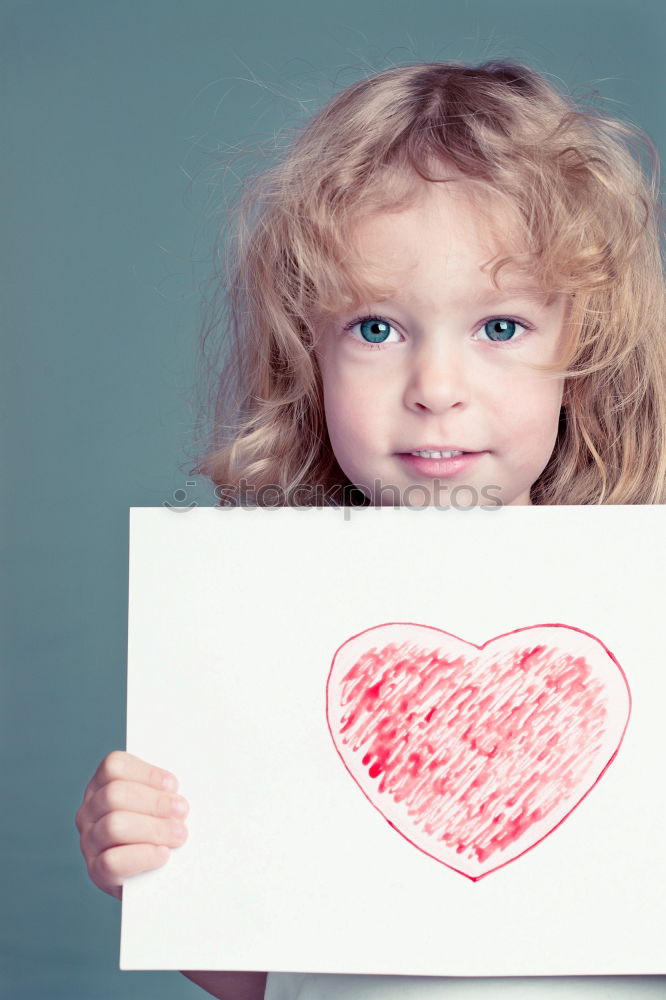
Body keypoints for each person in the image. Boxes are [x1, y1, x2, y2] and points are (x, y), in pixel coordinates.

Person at [75, 61, 666, 1000]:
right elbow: (248, 977)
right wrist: (150, 870)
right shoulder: (266, 634)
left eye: (501, 328)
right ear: (306, 352)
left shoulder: (651, 620)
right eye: (378, 330)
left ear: (583, 357)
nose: (435, 388)